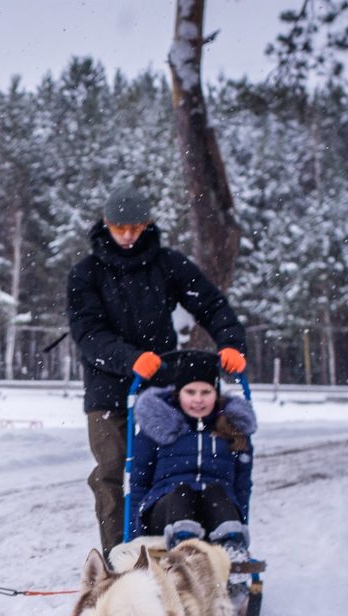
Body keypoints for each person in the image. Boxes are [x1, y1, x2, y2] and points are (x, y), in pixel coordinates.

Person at [67, 185, 248, 550]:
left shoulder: (167, 264)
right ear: (106, 224)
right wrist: (128, 358)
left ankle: (170, 548)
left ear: (147, 224)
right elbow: (88, 332)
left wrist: (231, 342)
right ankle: (119, 557)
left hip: (161, 390)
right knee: (112, 474)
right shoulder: (86, 273)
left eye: (135, 227)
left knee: (168, 470)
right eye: (120, 228)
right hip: (108, 392)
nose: (129, 236)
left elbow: (211, 305)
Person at [128, 358, 255, 584]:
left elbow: (242, 485)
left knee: (217, 491)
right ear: (179, 394)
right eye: (191, 391)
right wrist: (135, 534)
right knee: (182, 491)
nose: (198, 399)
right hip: (165, 510)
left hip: (215, 513)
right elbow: (139, 481)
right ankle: (183, 549)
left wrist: (241, 518)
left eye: (205, 391)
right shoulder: (158, 427)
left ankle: (232, 550)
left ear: (216, 394)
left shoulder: (232, 429)